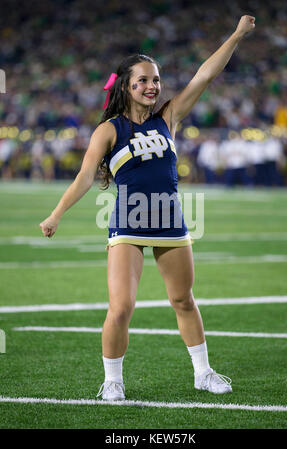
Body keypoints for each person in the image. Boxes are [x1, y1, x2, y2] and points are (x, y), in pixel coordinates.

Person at [40, 15, 255, 401]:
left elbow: (204, 76)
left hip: (170, 220)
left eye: (155, 79)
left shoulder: (168, 118)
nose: (151, 86)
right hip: (128, 221)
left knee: (183, 300)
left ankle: (203, 373)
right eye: (142, 80)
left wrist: (237, 36)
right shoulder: (109, 130)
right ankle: (113, 380)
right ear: (126, 86)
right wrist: (56, 215)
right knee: (121, 307)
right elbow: (85, 177)